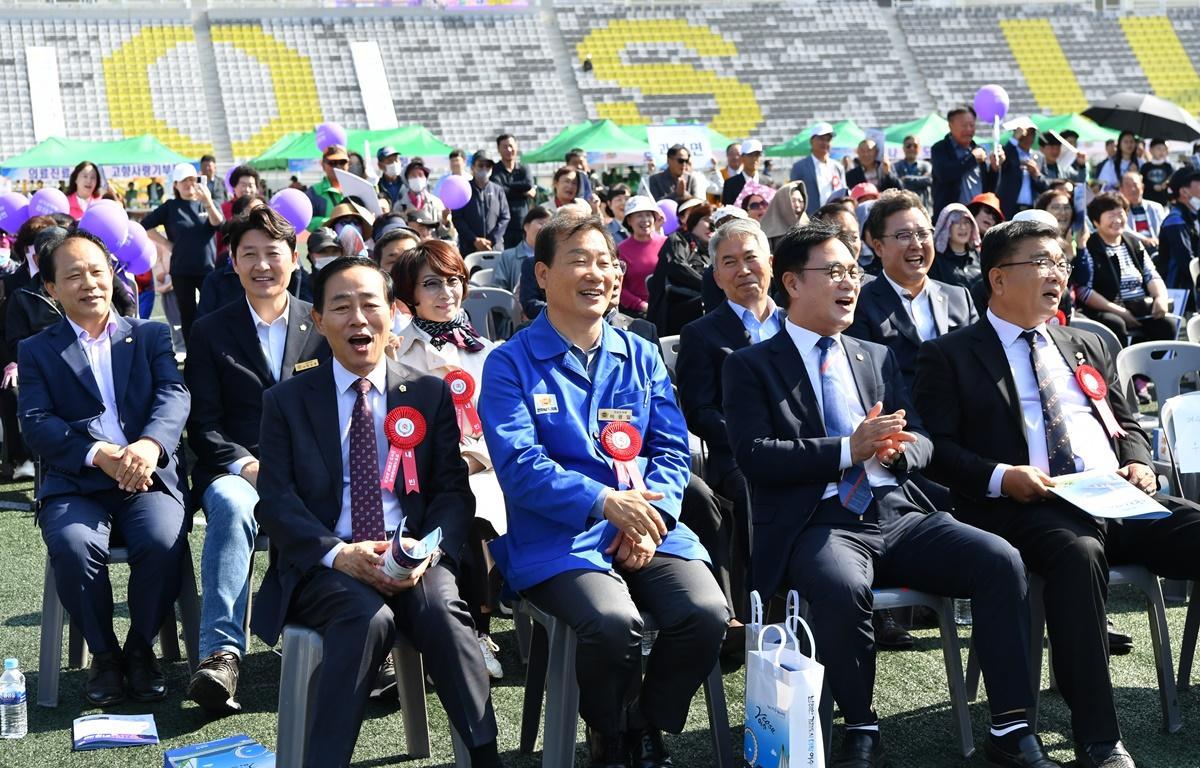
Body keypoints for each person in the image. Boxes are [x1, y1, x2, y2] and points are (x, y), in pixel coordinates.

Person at [723, 220, 1056, 768]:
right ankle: (861, 725)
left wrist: (899, 451)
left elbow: (924, 436)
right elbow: (755, 454)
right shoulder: (750, 365)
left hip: (898, 511)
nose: (849, 282)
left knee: (1000, 559)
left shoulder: (872, 355)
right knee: (837, 583)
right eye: (833, 271)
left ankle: (1011, 727)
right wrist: (846, 450)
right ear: (791, 283)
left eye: (853, 271)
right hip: (821, 519)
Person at [914, 218, 1200, 768]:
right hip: (1029, 506)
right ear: (998, 278)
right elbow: (940, 450)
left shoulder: (1085, 340)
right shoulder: (949, 355)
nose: (1057, 274)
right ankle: (1099, 738)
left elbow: (1128, 422)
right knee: (1077, 553)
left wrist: (1138, 464)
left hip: (1116, 497)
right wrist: (1002, 475)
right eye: (1041, 262)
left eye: (1062, 263)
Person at [480, 213, 726, 767]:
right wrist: (604, 504)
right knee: (614, 621)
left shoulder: (639, 353)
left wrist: (649, 515)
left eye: (605, 262)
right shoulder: (508, 364)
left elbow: (671, 450)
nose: (598, 273)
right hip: (558, 539)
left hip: (647, 527)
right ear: (541, 276)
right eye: (578, 260)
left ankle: (641, 723)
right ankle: (607, 736)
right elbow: (520, 465)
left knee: (706, 611)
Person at [253, 256, 501, 768]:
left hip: (413, 555)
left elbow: (453, 494)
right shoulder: (286, 400)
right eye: (341, 307)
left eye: (370, 304)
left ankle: (484, 754)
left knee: (441, 611)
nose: (358, 319)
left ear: (394, 313)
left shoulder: (429, 393)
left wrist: (426, 553)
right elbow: (276, 501)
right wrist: (339, 555)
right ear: (318, 322)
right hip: (330, 565)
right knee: (366, 618)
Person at [19, 229, 190, 707]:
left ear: (113, 275)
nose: (89, 283)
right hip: (77, 482)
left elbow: (173, 396)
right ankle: (105, 655)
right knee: (74, 547)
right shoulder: (37, 350)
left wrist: (151, 445)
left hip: (146, 476)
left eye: (97, 271)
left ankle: (140, 651)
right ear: (51, 288)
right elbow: (35, 421)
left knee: (161, 542)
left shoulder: (151, 334)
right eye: (73, 275)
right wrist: (101, 454)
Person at [184, 206, 330, 714]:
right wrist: (246, 465)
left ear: (294, 258)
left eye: (274, 254)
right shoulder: (209, 331)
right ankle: (221, 655)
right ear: (233, 261)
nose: (263, 265)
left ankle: (358, 644)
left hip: (312, 470)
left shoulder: (323, 322)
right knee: (229, 502)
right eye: (251, 255)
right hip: (238, 470)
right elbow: (203, 424)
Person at [387, 240, 507, 679]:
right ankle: (441, 627)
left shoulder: (490, 353)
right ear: (409, 295)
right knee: (443, 507)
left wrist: (472, 457)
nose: (446, 292)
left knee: (474, 507)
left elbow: (505, 426)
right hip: (415, 471)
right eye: (431, 284)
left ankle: (478, 627)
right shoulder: (394, 352)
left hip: (483, 468)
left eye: (454, 280)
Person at [677, 217, 782, 614]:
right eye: (729, 262)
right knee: (759, 494)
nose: (743, 270)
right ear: (717, 276)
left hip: (806, 446)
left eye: (751, 258)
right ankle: (760, 607)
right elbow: (698, 412)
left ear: (770, 263)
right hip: (737, 457)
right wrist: (750, 439)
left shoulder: (798, 322)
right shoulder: (701, 334)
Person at [848, 190, 978, 382]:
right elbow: (868, 383)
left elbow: (976, 368)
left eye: (923, 234)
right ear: (878, 247)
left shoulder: (960, 299)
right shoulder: (860, 305)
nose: (916, 244)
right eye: (904, 235)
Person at [1071, 192, 1174, 350]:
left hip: (1139, 306)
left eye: (1121, 213)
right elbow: (1083, 290)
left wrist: (1160, 297)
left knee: (1167, 325)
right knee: (1116, 324)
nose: (1117, 220)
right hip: (1106, 308)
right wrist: (1120, 312)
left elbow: (1150, 274)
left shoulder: (1133, 242)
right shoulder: (1090, 246)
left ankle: (1148, 372)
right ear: (1096, 222)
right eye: (1111, 215)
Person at [142, 162, 223, 343]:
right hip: (181, 270)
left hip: (207, 269)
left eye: (192, 180)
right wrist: (167, 244)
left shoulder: (207, 203)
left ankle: (214, 349)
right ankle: (193, 352)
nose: (189, 184)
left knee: (212, 310)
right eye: (183, 181)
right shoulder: (170, 207)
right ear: (176, 185)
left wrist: (208, 202)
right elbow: (145, 225)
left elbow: (219, 224)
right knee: (187, 315)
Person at [647, 201, 713, 335]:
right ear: (694, 221)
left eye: (714, 223)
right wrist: (709, 286)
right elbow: (676, 266)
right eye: (707, 220)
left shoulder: (711, 252)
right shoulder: (677, 239)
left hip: (699, 314)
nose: (712, 226)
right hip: (671, 313)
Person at [931, 105, 1000, 220]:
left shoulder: (979, 150)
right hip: (950, 217)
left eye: (972, 125)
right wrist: (972, 159)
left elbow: (989, 188)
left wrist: (994, 168)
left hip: (976, 217)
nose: (969, 129)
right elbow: (944, 174)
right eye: (964, 126)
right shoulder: (940, 149)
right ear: (950, 126)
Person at [615, 195, 666, 317]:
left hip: (667, 309)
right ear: (629, 220)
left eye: (648, 214)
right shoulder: (621, 250)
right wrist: (642, 305)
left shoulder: (666, 243)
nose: (645, 220)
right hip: (638, 314)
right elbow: (618, 286)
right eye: (639, 215)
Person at [452, 151, 510, 256]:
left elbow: (505, 217)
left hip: (494, 248)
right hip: (469, 249)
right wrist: (474, 240)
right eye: (481, 165)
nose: (484, 168)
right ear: (473, 167)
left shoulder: (498, 190)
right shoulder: (463, 190)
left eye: (488, 165)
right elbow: (457, 217)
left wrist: (492, 240)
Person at [1156, 166, 1200, 301]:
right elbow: (1187, 263)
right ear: (1184, 192)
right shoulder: (1175, 221)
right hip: (1183, 293)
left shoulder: (1195, 215)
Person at [930, 201, 984, 303]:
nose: (963, 227)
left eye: (966, 222)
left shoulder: (980, 257)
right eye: (956, 222)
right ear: (946, 227)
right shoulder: (935, 261)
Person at [790, 122, 847, 215]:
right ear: (812, 141)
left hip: (834, 218)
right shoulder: (799, 167)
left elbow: (843, 193)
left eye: (828, 139)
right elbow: (793, 194)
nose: (825, 143)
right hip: (809, 219)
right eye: (821, 139)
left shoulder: (838, 167)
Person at [492, 134, 536, 249]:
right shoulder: (495, 170)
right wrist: (522, 192)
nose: (509, 150)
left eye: (511, 146)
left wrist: (507, 187)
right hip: (502, 226)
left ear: (517, 147)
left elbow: (528, 184)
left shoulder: (523, 168)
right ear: (498, 149)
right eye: (504, 146)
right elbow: (499, 190)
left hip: (522, 223)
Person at [997, 125, 1048, 219]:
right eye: (1025, 134)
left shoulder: (1039, 157)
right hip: (1009, 207)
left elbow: (1045, 185)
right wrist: (1014, 138)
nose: (1028, 138)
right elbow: (1003, 162)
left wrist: (1036, 173)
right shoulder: (1008, 151)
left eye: (1032, 134)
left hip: (1032, 208)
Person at [495, 206, 548, 293]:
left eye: (548, 226)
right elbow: (497, 290)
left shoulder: (553, 258)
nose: (544, 229)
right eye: (541, 223)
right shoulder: (508, 256)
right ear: (526, 226)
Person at [215, 165, 262, 262]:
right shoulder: (223, 208)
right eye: (243, 185)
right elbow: (218, 237)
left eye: (250, 185)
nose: (247, 190)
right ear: (234, 186)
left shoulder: (263, 207)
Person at [1119, 171, 1165, 256]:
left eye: (1135, 185)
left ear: (1142, 187)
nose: (1132, 189)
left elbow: (1164, 229)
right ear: (1121, 190)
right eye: (1128, 186)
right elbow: (1123, 230)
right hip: (1131, 251)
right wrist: (1144, 239)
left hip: (1157, 248)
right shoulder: (1119, 211)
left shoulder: (1156, 207)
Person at [304, 144, 349, 232]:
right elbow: (307, 220)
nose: (338, 166)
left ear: (348, 164)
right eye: (332, 163)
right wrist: (332, 222)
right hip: (328, 242)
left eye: (342, 162)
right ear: (323, 165)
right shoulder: (314, 191)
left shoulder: (357, 187)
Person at [759, 179, 808, 250]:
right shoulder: (766, 234)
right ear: (781, 202)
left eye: (800, 201)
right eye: (793, 201)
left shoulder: (808, 228)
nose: (797, 205)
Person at [721, 139, 768, 205]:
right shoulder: (730, 184)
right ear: (742, 157)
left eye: (757, 155)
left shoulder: (768, 182)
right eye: (750, 155)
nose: (754, 158)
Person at [894, 135, 933, 210]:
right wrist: (920, 181)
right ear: (903, 148)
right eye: (908, 146)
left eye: (915, 146)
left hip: (923, 208)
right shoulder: (895, 166)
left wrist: (906, 179)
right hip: (901, 208)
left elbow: (929, 180)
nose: (912, 148)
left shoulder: (926, 165)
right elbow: (897, 184)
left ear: (919, 148)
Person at [1140, 139, 1173, 207]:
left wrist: (1166, 184)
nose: (1161, 151)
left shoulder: (1168, 167)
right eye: (1159, 148)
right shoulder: (1145, 167)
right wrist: (1152, 186)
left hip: (1164, 202)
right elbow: (1142, 181)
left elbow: (1171, 180)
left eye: (1164, 149)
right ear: (1151, 150)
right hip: (1148, 201)